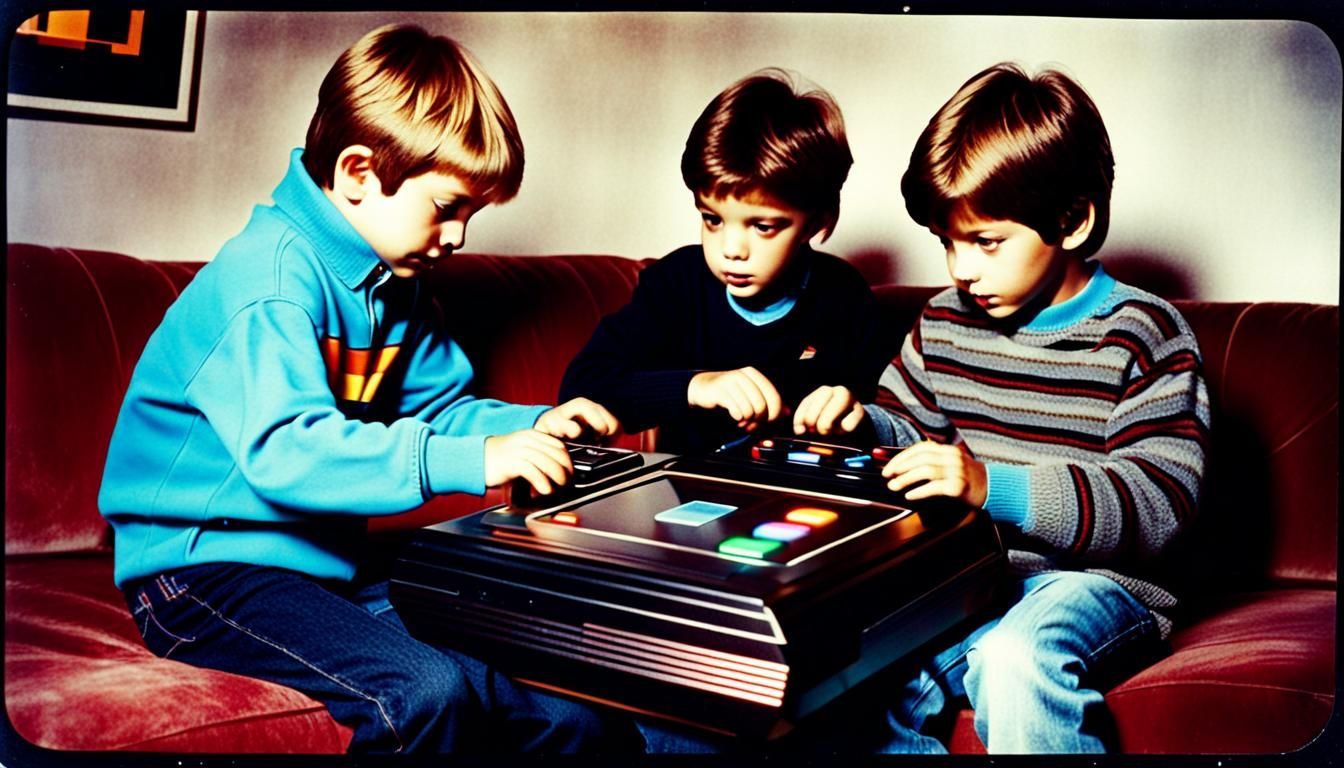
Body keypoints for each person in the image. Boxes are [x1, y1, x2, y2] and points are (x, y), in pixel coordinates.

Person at [97, 24, 638, 755]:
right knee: (422, 692)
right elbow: (289, 454)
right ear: (358, 173)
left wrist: (539, 427)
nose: (459, 238)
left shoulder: (396, 282)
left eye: (472, 216)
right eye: (448, 208)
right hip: (201, 569)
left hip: (321, 563)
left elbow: (441, 408)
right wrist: (476, 462)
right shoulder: (268, 281)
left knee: (564, 708)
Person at [795, 63, 1211, 753]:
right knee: (859, 671)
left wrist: (993, 486)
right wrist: (862, 424)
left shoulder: (1145, 332)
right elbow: (910, 434)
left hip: (1099, 590)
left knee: (1014, 660)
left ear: (1072, 221)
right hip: (972, 583)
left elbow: (1159, 504)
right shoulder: (944, 323)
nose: (961, 268)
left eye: (986, 242)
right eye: (947, 242)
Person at [558, 68, 889, 455]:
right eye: (713, 219)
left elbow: (886, 417)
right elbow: (582, 389)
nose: (732, 249)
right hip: (692, 501)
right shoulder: (675, 285)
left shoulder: (843, 296)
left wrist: (851, 415)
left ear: (816, 222)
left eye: (763, 227)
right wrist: (697, 387)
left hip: (813, 499)